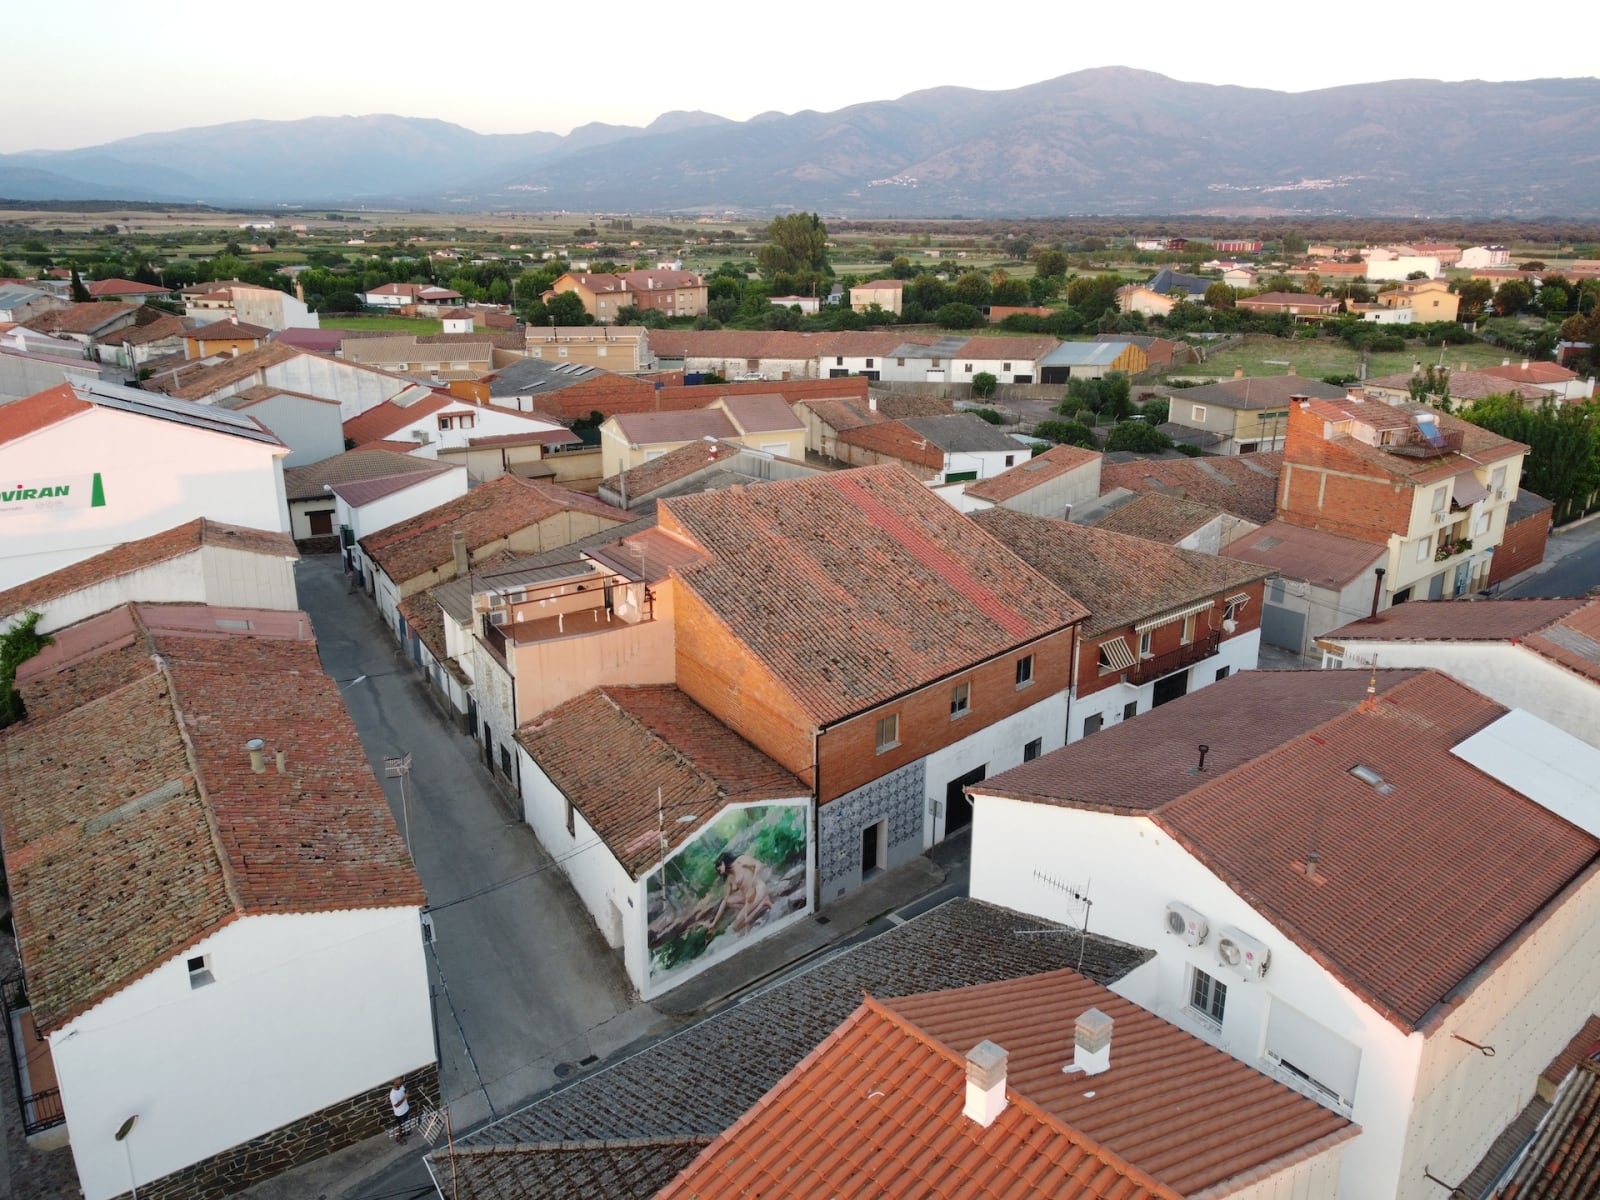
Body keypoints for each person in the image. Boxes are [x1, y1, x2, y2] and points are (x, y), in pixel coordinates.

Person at [701, 852, 774, 936]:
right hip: (748, 897)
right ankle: (760, 905)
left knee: (739, 922)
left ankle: (763, 902)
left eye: (719, 868)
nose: (720, 872)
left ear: (723, 863)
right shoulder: (730, 878)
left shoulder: (741, 860)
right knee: (735, 925)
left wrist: (753, 879)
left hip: (758, 889)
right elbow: (724, 901)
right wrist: (714, 923)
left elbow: (758, 864)